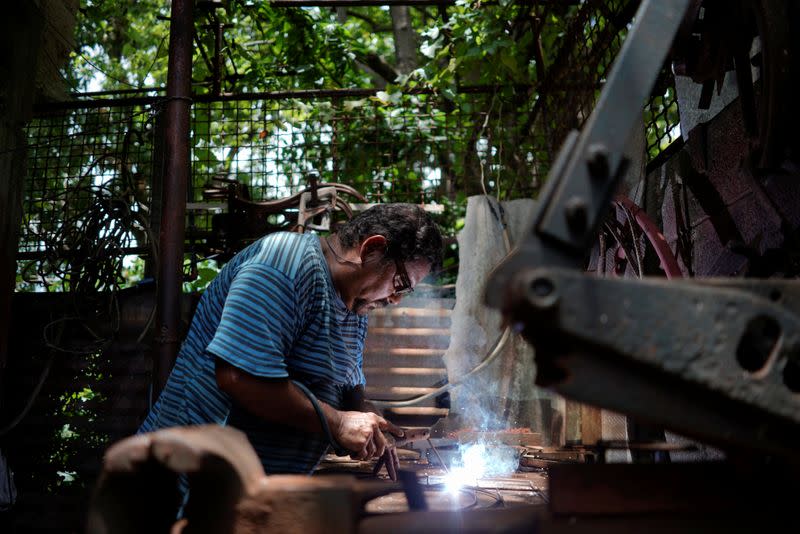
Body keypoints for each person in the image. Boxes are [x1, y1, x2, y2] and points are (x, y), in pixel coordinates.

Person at [139, 203, 442, 483]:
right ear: (372, 249)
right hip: (184, 482)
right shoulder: (283, 265)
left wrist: (372, 424)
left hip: (243, 489)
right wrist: (337, 424)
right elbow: (238, 376)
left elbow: (345, 389)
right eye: (400, 284)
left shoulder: (354, 304)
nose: (395, 299)